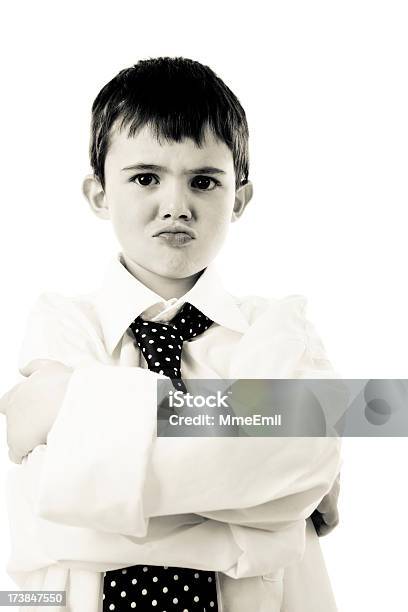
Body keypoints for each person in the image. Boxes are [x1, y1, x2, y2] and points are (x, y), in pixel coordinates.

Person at [0, 57, 341, 612]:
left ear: (240, 198)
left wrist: (75, 404)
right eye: (145, 178)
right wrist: (253, 511)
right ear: (99, 193)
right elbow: (50, 512)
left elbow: (303, 464)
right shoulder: (62, 323)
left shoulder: (279, 327)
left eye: (203, 181)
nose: (176, 206)